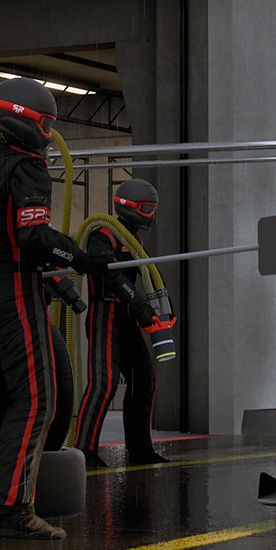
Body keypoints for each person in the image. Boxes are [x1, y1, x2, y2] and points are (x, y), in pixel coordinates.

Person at [0, 77, 114, 540]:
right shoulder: (28, 166)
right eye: (46, 124)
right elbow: (34, 236)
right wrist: (81, 259)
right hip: (15, 291)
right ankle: (14, 512)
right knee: (37, 399)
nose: (48, 133)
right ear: (29, 122)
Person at [73, 178, 172, 467]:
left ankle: (140, 450)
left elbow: (150, 272)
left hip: (128, 316)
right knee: (103, 384)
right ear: (130, 206)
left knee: (144, 381)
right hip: (105, 315)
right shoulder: (103, 235)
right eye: (146, 208)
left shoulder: (134, 239)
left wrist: (165, 308)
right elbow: (109, 274)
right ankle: (85, 452)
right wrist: (140, 306)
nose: (151, 214)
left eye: (153, 209)